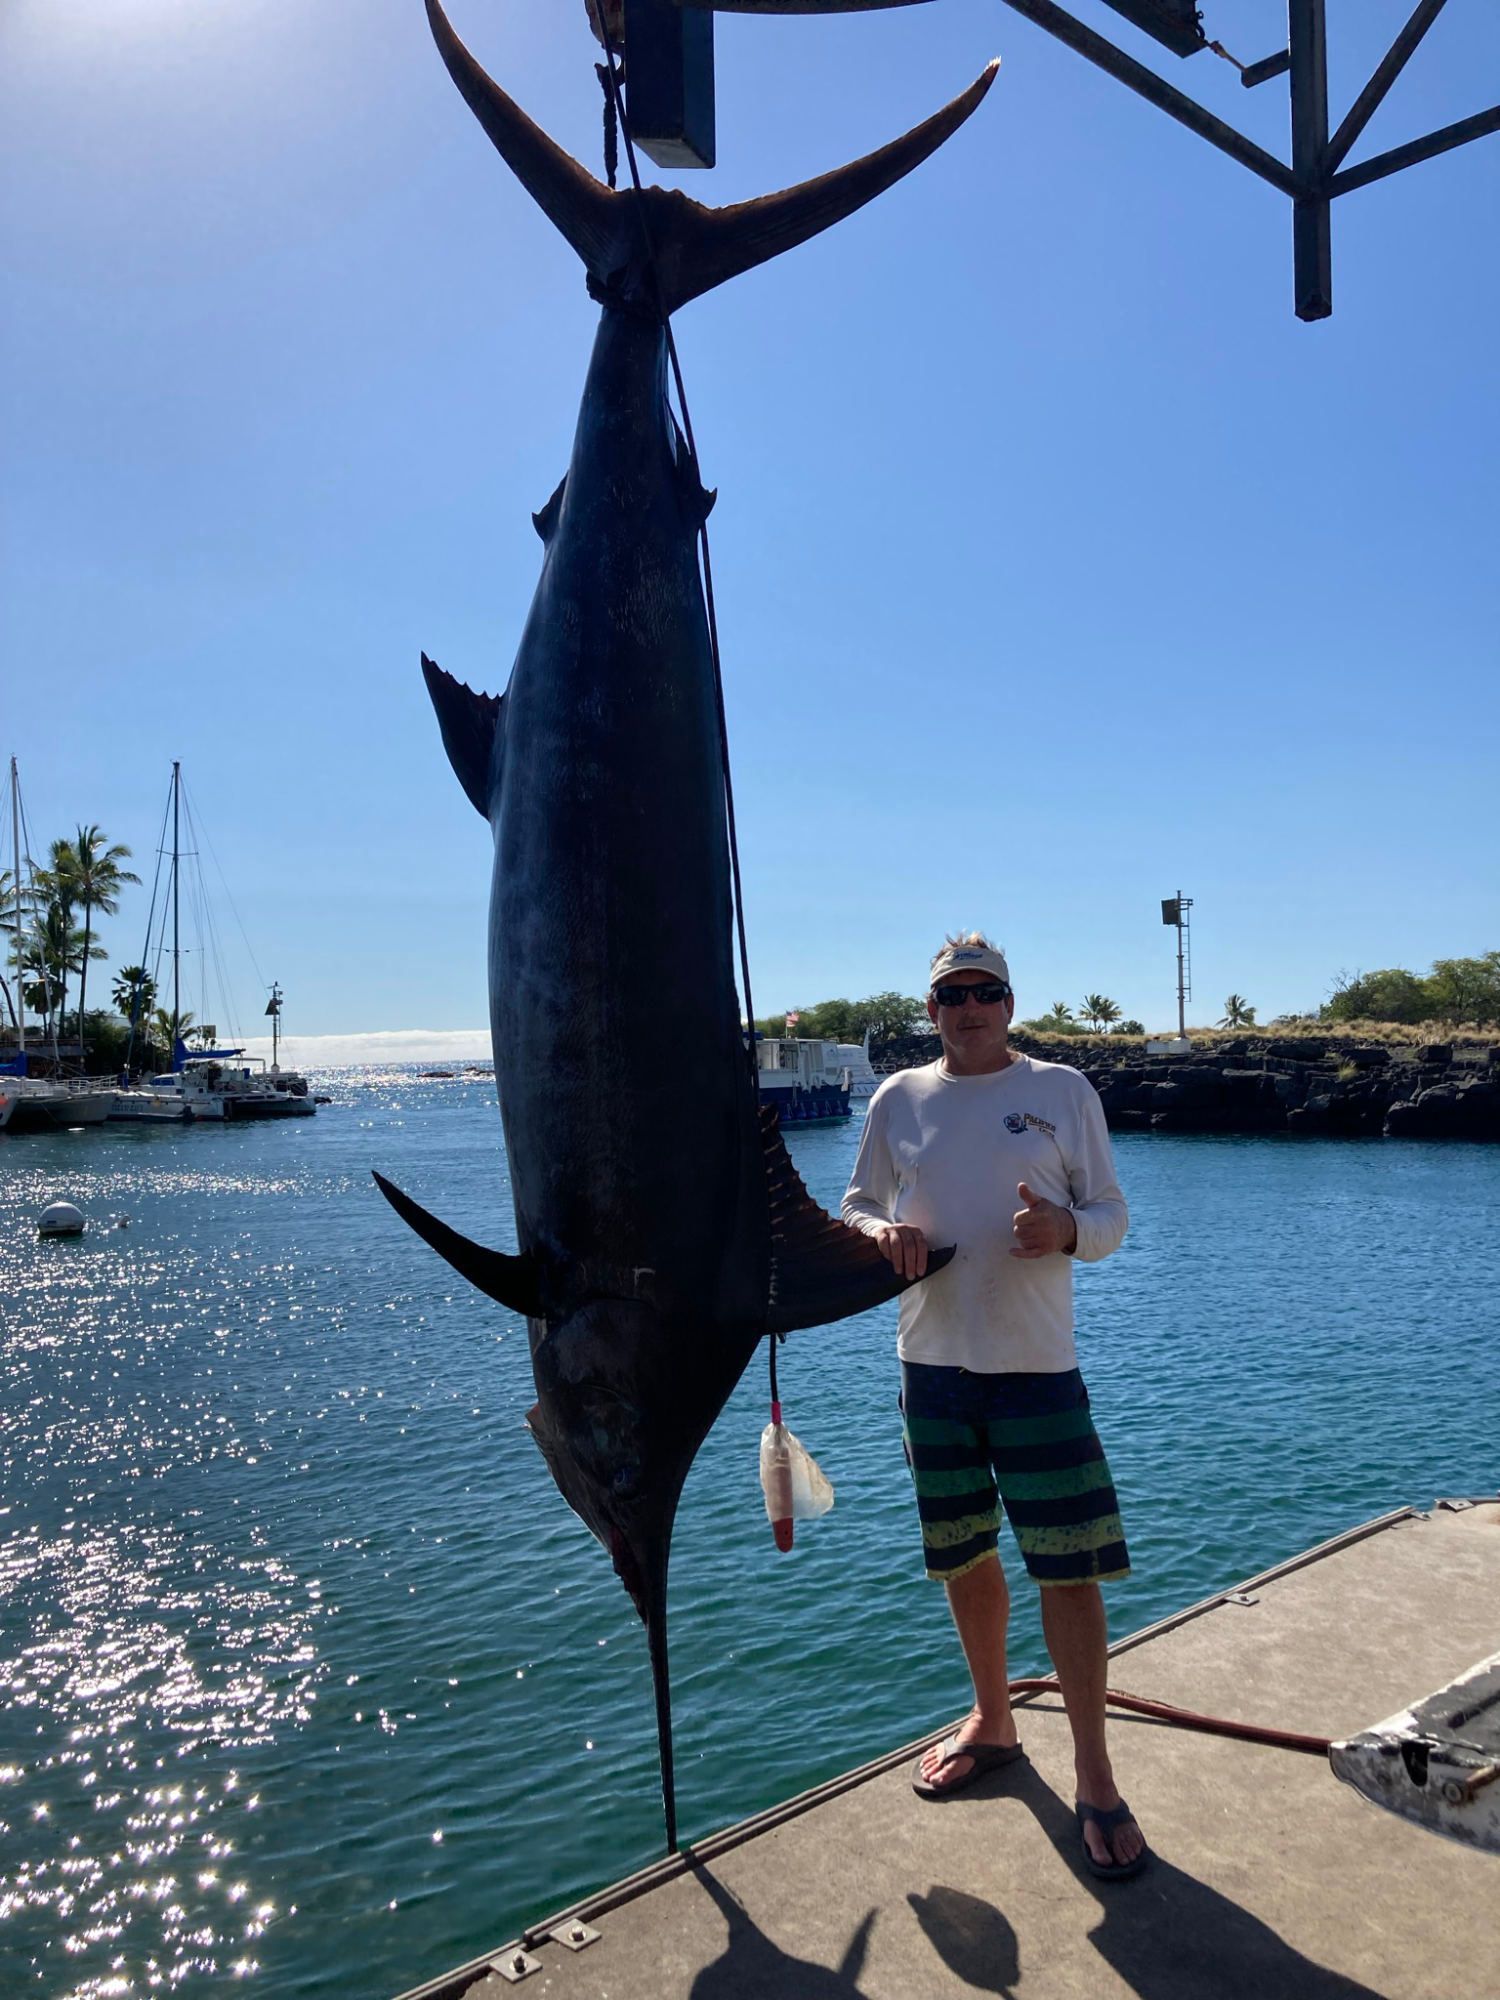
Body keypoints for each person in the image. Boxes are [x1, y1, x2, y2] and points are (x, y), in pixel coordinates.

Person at [841, 932, 1147, 1880]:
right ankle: (994, 1720)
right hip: (928, 1366)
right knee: (965, 1557)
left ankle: (1095, 1775)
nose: (968, 1008)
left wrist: (1067, 1229)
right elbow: (852, 1204)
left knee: (1069, 1571)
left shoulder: (1062, 1092)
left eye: (985, 992)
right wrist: (877, 1228)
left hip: (1035, 1369)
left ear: (1010, 1004)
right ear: (930, 1011)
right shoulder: (898, 1099)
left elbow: (1111, 1216)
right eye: (950, 995)